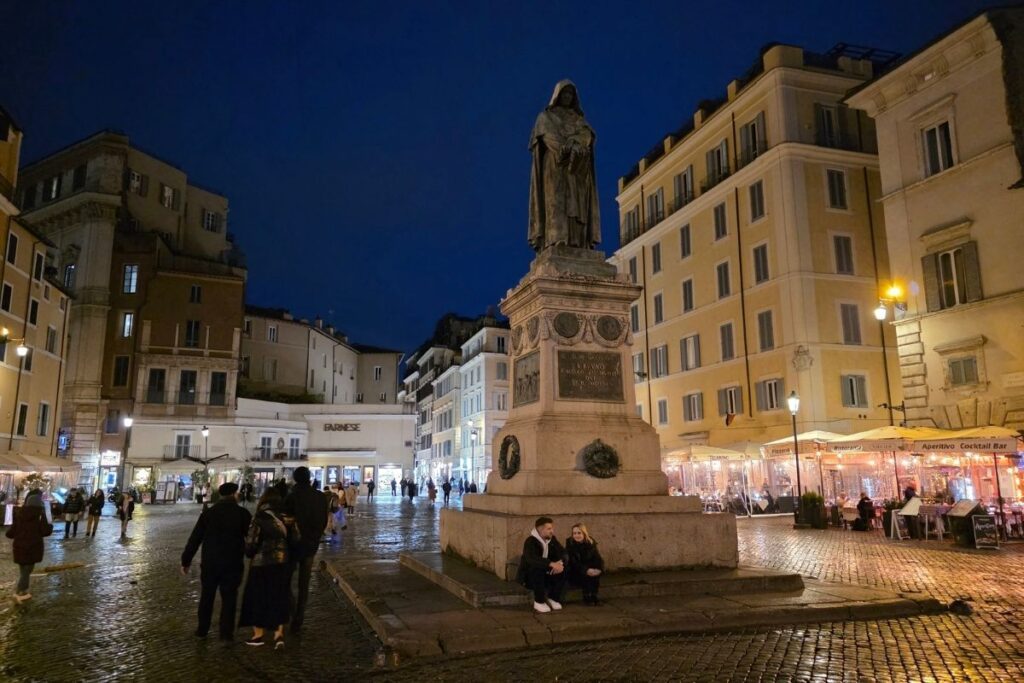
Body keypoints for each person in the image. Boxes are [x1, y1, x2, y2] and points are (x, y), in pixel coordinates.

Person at [527, 80, 601, 252]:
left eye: (570, 94)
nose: (567, 97)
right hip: (555, 167)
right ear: (557, 95)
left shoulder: (579, 119)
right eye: (564, 93)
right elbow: (548, 137)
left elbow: (587, 135)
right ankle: (556, 239)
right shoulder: (545, 117)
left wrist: (577, 143)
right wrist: (566, 148)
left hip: (578, 170)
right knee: (556, 203)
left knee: (578, 205)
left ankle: (578, 242)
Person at [181, 482, 252, 640]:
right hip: (233, 562)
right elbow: (251, 538)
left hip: (210, 562)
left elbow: (195, 539)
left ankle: (202, 629)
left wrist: (186, 561)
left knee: (207, 595)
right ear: (234, 494)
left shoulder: (209, 513)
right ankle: (226, 633)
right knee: (229, 598)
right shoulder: (242, 513)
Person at [239, 488, 294, 648]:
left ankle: (258, 635)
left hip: (262, 563)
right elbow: (295, 538)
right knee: (278, 596)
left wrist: (248, 552)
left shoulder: (260, 517)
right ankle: (279, 634)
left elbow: (252, 542)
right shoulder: (286, 517)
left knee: (257, 598)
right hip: (283, 562)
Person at [283, 466, 327, 632]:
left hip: (293, 545)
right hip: (311, 544)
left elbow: (285, 521)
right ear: (309, 478)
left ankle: (293, 610)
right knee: (304, 582)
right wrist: (315, 536)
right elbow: (323, 520)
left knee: (286, 580)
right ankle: (299, 616)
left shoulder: (291, 497)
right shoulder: (320, 497)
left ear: (295, 479)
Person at [6, 489, 53, 603]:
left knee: (24, 569)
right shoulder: (40, 515)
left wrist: (11, 533)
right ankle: (18, 592)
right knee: (27, 570)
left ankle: (24, 591)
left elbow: (11, 532)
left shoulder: (19, 513)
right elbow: (45, 531)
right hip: (33, 547)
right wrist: (50, 525)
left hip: (19, 547)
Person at [516, 516, 567, 613]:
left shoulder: (552, 539)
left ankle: (553, 598)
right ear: (540, 529)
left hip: (547, 573)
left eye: (552, 528)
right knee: (537, 568)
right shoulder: (530, 541)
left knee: (563, 568)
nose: (552, 531)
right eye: (549, 529)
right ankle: (539, 601)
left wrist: (560, 563)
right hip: (529, 576)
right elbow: (532, 559)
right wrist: (551, 563)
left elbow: (563, 552)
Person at [565, 523, 604, 605]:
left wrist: (599, 569)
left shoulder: (590, 543)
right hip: (575, 570)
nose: (576, 535)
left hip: (588, 568)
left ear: (584, 533)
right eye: (574, 533)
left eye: (579, 533)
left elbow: (597, 558)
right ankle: (587, 597)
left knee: (594, 574)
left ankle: (594, 596)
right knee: (586, 575)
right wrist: (586, 570)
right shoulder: (570, 544)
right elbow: (573, 562)